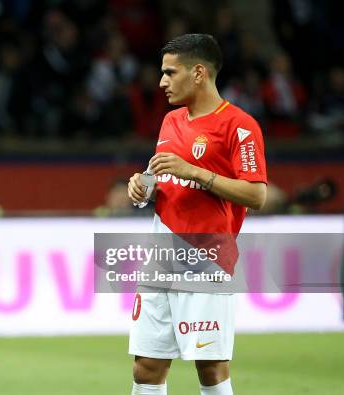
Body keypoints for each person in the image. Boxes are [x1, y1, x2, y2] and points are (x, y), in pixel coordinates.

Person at [127, 34, 267, 395]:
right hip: (160, 256)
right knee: (146, 367)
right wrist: (142, 187)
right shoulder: (171, 121)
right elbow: (161, 177)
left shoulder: (239, 125)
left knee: (210, 366)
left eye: (170, 73)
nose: (161, 82)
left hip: (206, 258)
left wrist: (196, 172)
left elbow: (256, 194)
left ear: (199, 73)